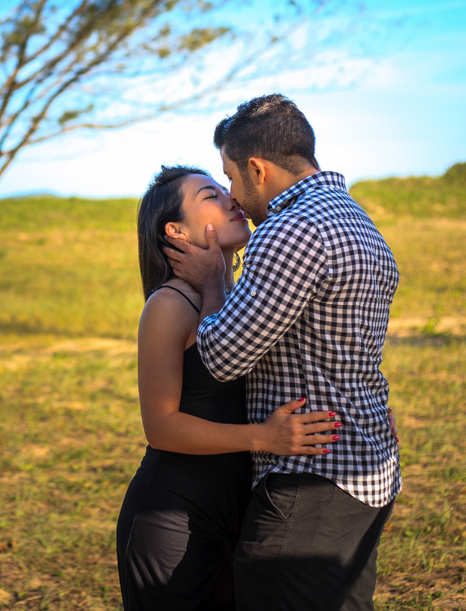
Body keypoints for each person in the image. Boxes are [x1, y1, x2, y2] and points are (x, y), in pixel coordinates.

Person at [166, 95, 401, 611]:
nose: (231, 193)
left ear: (257, 168)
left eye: (229, 177)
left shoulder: (290, 229)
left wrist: (210, 283)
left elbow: (222, 358)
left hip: (313, 481)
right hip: (368, 468)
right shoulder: (359, 221)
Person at [117, 165, 343, 611]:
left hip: (237, 515)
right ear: (176, 231)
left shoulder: (240, 296)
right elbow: (160, 427)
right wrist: (262, 437)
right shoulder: (167, 306)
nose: (231, 199)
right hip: (172, 521)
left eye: (226, 189)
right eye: (210, 195)